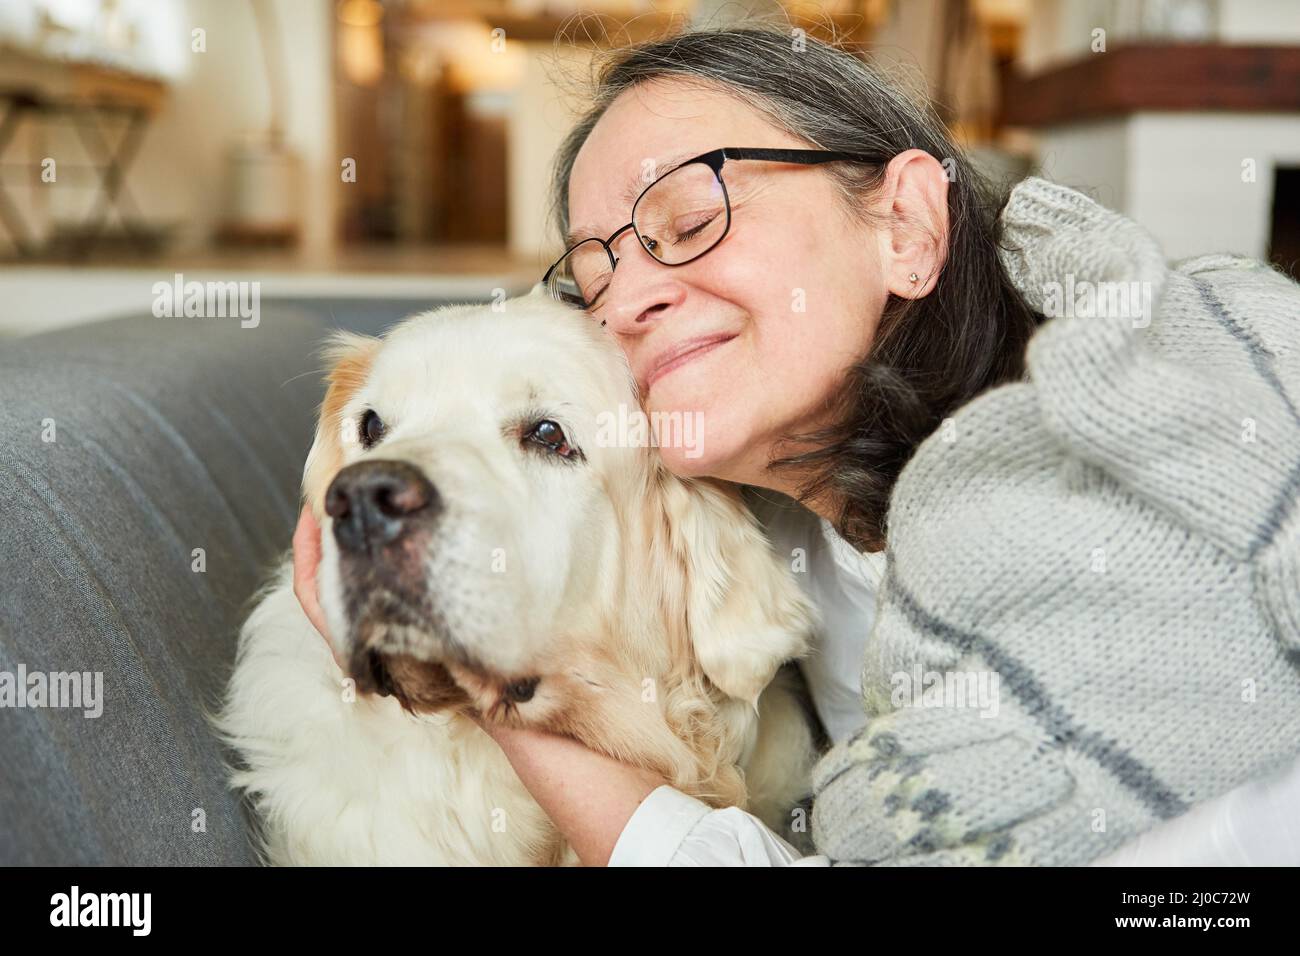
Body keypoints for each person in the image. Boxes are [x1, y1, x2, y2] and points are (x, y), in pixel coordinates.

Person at [292, 26, 1300, 866]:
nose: (628, 298)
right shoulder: (748, 541)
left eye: (687, 217)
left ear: (904, 223)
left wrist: (490, 688)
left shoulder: (1154, 464)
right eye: (594, 277)